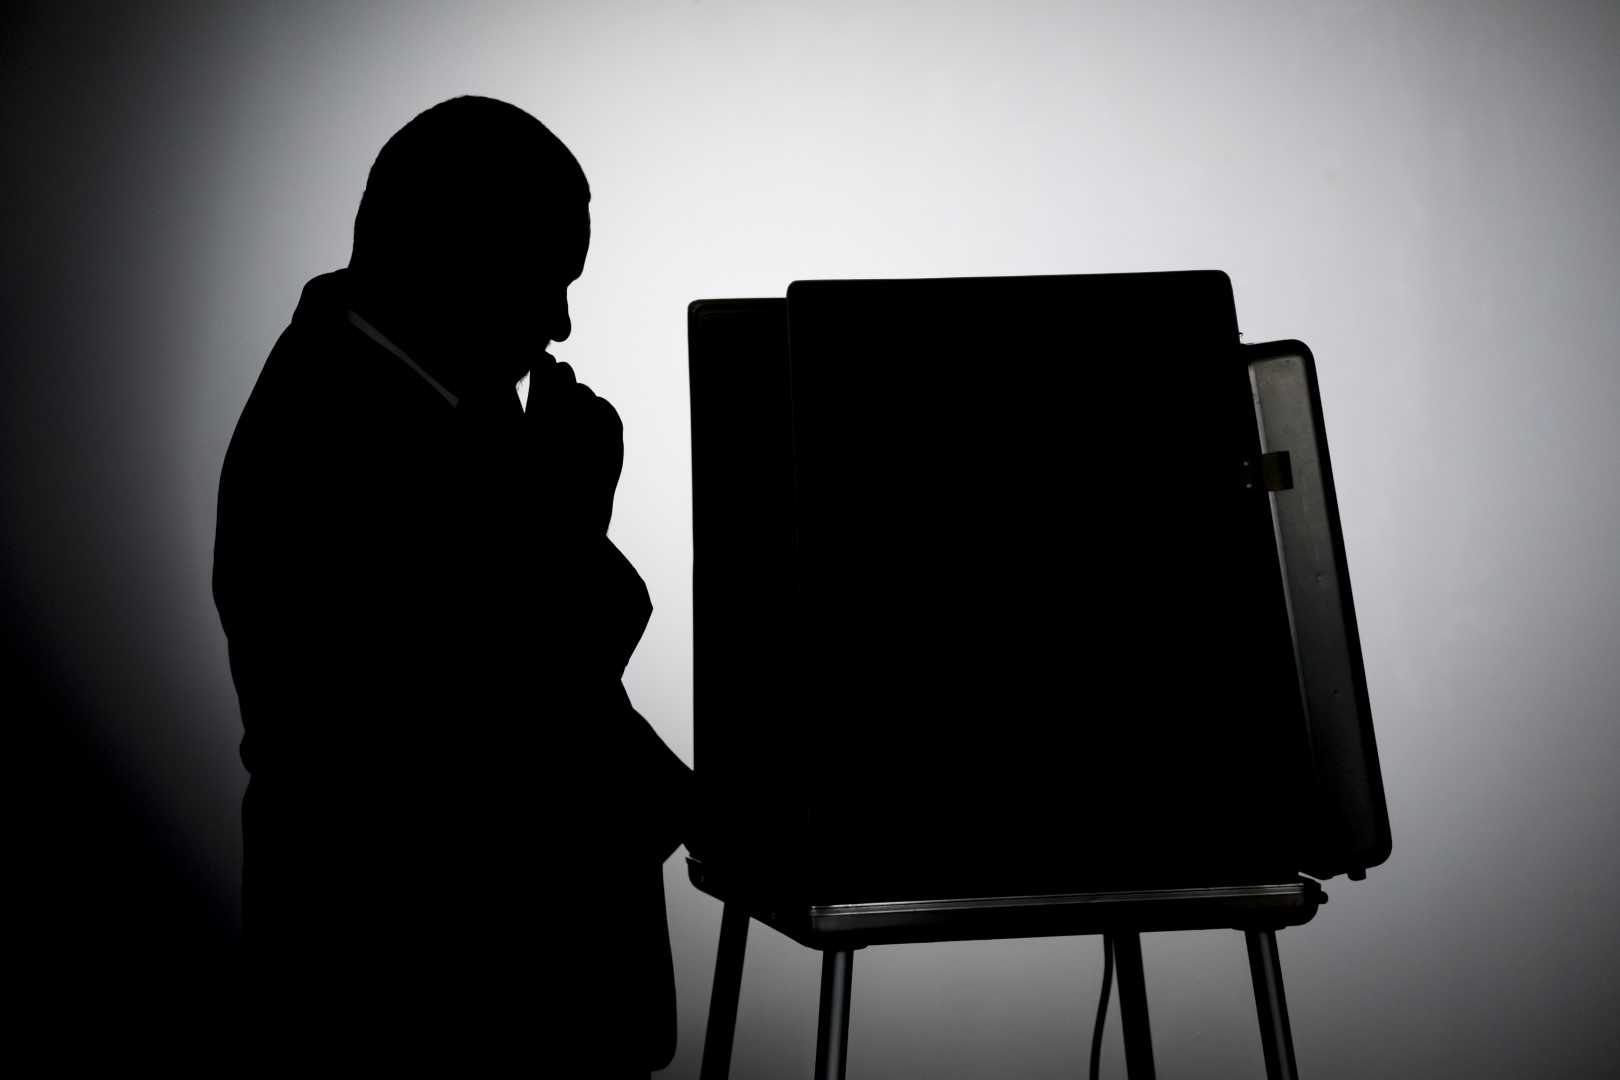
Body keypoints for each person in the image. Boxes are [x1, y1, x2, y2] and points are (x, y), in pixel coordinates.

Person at [213, 96, 689, 1072]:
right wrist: (570, 511)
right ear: (454, 253)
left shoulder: (436, 397)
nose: (560, 322)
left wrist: (699, 809)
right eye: (547, 280)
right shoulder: (333, 436)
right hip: (431, 1005)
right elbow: (493, 700)